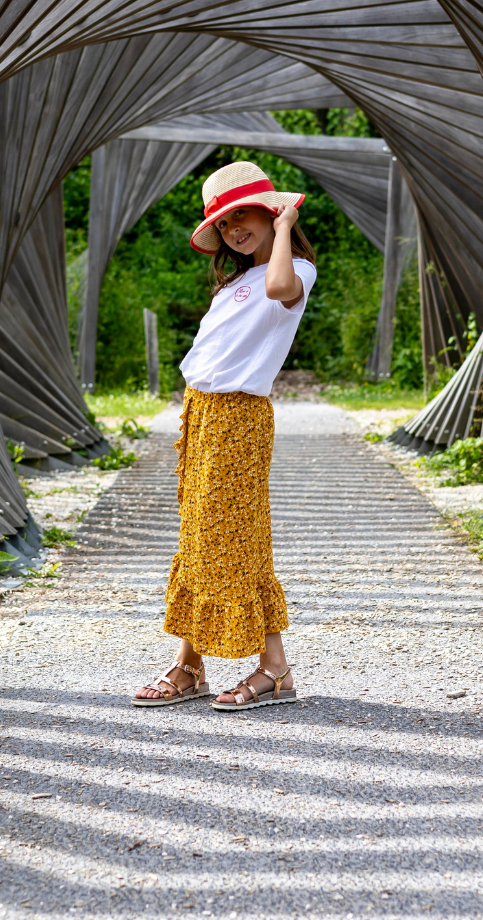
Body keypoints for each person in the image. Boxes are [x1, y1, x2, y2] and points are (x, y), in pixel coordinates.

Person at [133, 161, 316, 711]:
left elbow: (280, 285)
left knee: (234, 539)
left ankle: (274, 669)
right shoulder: (236, 281)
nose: (235, 228)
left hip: (239, 418)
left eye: (245, 215)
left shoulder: (296, 269)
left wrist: (284, 229)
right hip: (203, 414)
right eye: (224, 221)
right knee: (199, 542)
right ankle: (191, 666)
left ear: (270, 210)